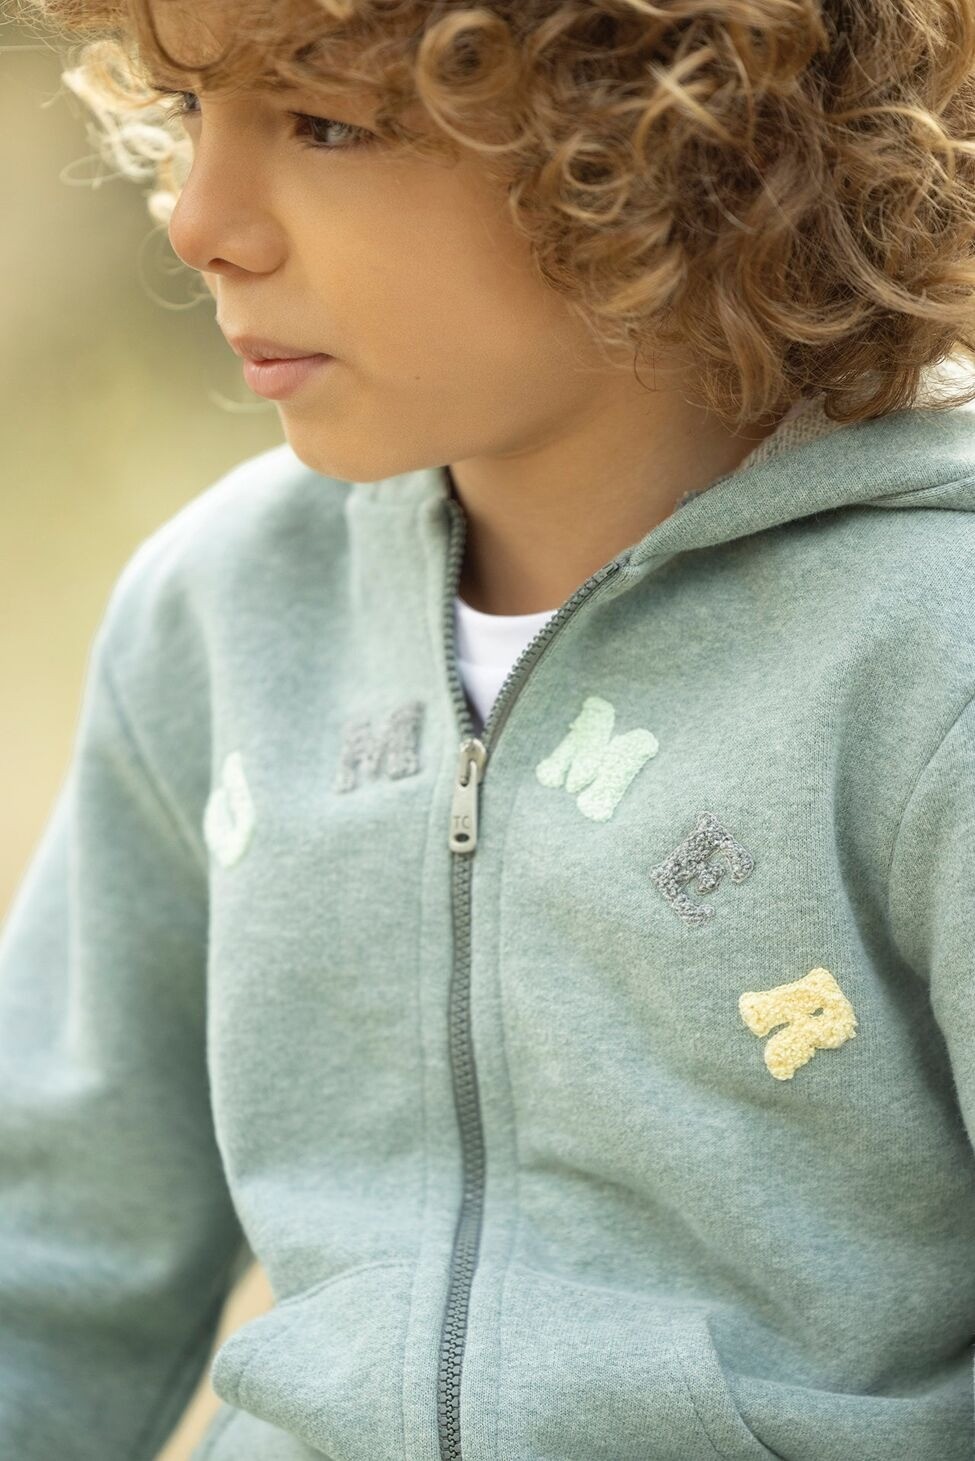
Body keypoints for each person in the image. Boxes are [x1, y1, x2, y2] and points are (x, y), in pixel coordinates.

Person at [4, 2, 975, 1458]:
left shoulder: (936, 648)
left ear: (676, 141)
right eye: (194, 112)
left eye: (326, 123)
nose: (201, 222)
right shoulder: (221, 615)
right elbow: (48, 1272)